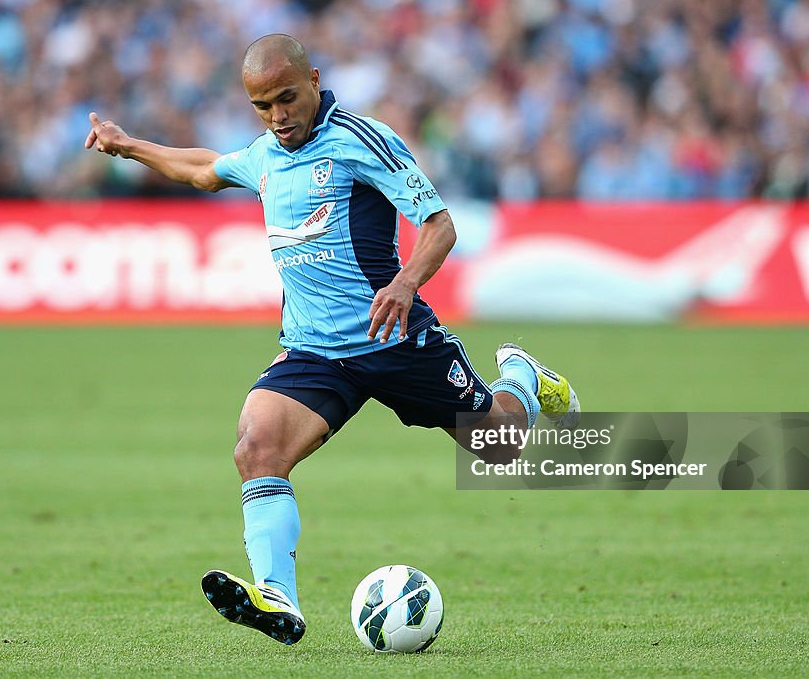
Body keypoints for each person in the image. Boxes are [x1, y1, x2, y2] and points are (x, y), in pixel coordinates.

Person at [85, 33, 579, 646]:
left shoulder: (359, 139)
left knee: (501, 450)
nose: (278, 116)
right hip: (315, 354)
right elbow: (202, 169)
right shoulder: (265, 155)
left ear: (313, 79)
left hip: (393, 337)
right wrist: (129, 146)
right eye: (262, 106)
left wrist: (404, 282)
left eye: (287, 98)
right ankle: (279, 600)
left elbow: (439, 223)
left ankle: (523, 381)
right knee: (257, 449)